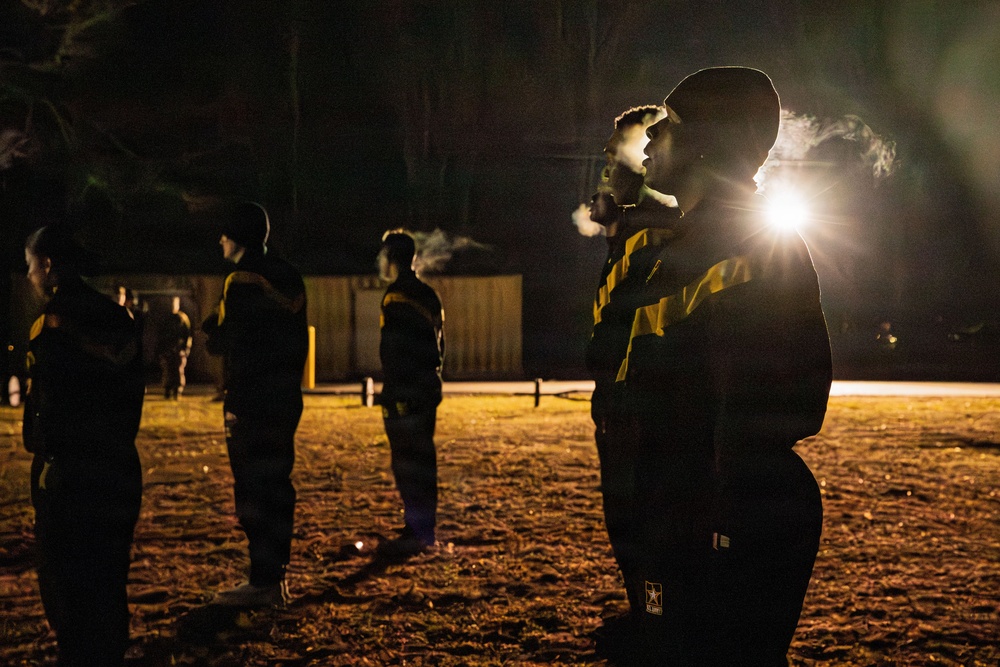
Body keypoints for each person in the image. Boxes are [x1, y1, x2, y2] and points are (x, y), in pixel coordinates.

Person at [617, 67, 832, 665]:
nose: (650, 138)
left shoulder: (756, 247)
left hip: (729, 521)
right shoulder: (679, 249)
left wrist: (713, 509)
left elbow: (794, 398)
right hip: (676, 513)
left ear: (709, 141)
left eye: (667, 123)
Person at [22, 225, 145, 665]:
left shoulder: (51, 323)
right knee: (110, 578)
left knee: (66, 585)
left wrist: (47, 457)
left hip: (70, 473)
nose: (29, 275)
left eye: (30, 264)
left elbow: (50, 405)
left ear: (49, 265)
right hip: (119, 465)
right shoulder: (120, 317)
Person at [586, 105, 679, 645]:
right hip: (619, 405)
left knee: (641, 518)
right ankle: (645, 614)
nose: (605, 166)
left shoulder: (648, 234)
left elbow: (629, 330)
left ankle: (656, 623)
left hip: (636, 408)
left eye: (612, 160)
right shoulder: (628, 236)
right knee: (625, 518)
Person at [202, 201, 308, 607]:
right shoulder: (288, 274)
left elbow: (229, 337)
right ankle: (274, 576)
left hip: (250, 398)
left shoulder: (242, 278)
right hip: (284, 396)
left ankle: (262, 583)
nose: (220, 240)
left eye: (225, 233)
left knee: (252, 488)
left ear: (238, 237)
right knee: (277, 484)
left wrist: (214, 333)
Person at [375, 230, 445, 558]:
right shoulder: (430, 295)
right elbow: (437, 348)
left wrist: (393, 393)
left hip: (405, 391)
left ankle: (414, 530)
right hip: (428, 388)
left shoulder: (394, 296)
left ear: (391, 259)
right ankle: (425, 529)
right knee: (423, 460)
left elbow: (393, 351)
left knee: (406, 462)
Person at [158, 296, 192, 399]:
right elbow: (161, 335)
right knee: (167, 370)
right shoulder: (166, 319)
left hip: (178, 349)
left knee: (178, 371)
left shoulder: (182, 318)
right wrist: (162, 349)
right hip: (168, 349)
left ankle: (177, 390)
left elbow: (187, 335)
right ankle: (167, 390)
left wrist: (186, 348)